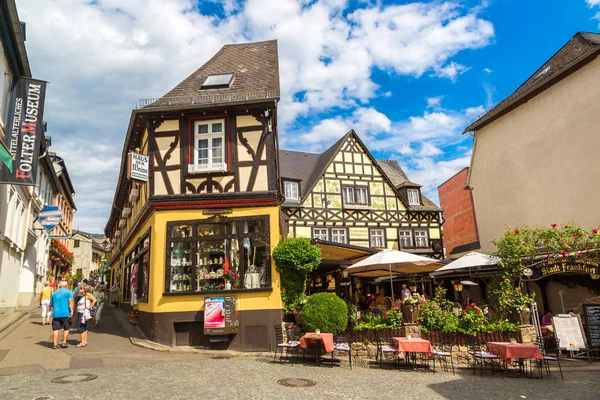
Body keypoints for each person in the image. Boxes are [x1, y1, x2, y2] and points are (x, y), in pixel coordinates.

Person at [49, 281, 74, 349]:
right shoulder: (69, 292)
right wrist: (72, 311)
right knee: (66, 328)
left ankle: (55, 344)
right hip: (65, 313)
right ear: (66, 286)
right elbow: (70, 301)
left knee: (55, 329)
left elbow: (50, 304)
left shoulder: (54, 294)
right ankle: (64, 342)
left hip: (56, 314)